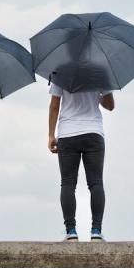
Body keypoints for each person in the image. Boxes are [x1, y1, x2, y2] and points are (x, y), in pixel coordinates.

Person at [47, 84, 115, 241]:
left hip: (68, 133)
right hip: (93, 132)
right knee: (96, 183)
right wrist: (97, 96)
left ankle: (71, 232)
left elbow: (55, 105)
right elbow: (110, 105)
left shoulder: (60, 70)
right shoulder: (100, 71)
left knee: (68, 184)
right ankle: (96, 231)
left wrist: (51, 134)